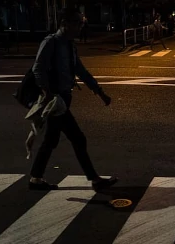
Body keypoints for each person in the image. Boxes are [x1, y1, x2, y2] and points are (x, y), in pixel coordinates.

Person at [28, 7, 118, 191]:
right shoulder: (51, 42)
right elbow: (38, 69)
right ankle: (94, 179)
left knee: (51, 140)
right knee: (78, 138)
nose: (80, 27)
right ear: (65, 24)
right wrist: (48, 94)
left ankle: (35, 178)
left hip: (63, 99)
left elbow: (80, 70)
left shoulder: (70, 45)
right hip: (56, 101)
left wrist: (99, 92)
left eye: (81, 22)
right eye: (76, 23)